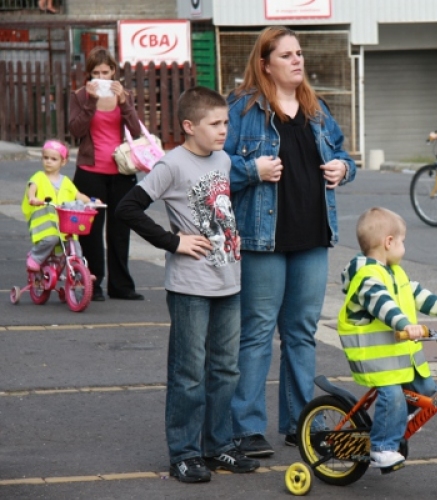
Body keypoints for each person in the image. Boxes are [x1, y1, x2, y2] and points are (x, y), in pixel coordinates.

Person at [225, 26, 356, 458]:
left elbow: (344, 155)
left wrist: (342, 168)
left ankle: (301, 422)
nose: (297, 60)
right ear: (265, 64)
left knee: (301, 333)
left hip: (312, 236)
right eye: (286, 55)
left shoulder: (316, 109)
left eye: (299, 53)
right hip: (264, 240)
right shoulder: (242, 109)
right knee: (258, 333)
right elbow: (211, 166)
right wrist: (251, 171)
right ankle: (246, 427)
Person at [116, 86, 259, 482]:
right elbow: (128, 207)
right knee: (189, 373)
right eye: (215, 124)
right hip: (190, 287)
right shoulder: (172, 165)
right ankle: (184, 452)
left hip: (229, 281)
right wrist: (173, 240)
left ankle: (218, 446)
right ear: (189, 126)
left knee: (226, 370)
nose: (223, 130)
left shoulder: (225, 161)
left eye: (226, 122)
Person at [338, 207, 437, 469]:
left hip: (398, 356)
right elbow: (383, 305)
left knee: (425, 389)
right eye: (403, 241)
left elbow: (418, 294)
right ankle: (381, 448)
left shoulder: (396, 272)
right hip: (375, 358)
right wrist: (407, 325)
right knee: (394, 396)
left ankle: (393, 422)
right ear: (389, 242)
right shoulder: (367, 276)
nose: (404, 246)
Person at [69, 47, 142, 302]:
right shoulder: (79, 96)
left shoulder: (125, 95)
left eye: (105, 71)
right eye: (95, 73)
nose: (101, 76)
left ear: (113, 71)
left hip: (121, 172)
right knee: (90, 232)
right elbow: (76, 131)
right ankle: (93, 283)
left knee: (120, 229)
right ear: (89, 75)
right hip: (90, 173)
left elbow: (136, 129)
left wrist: (124, 103)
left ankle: (121, 286)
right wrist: (90, 103)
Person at [22, 140, 99, 271]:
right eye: (45, 158)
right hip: (45, 225)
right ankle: (35, 258)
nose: (48, 161)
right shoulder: (39, 177)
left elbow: (78, 195)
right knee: (51, 239)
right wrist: (33, 198)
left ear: (63, 162)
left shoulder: (66, 181)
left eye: (53, 159)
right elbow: (32, 188)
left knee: (75, 244)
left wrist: (91, 201)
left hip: (65, 224)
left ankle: (79, 271)